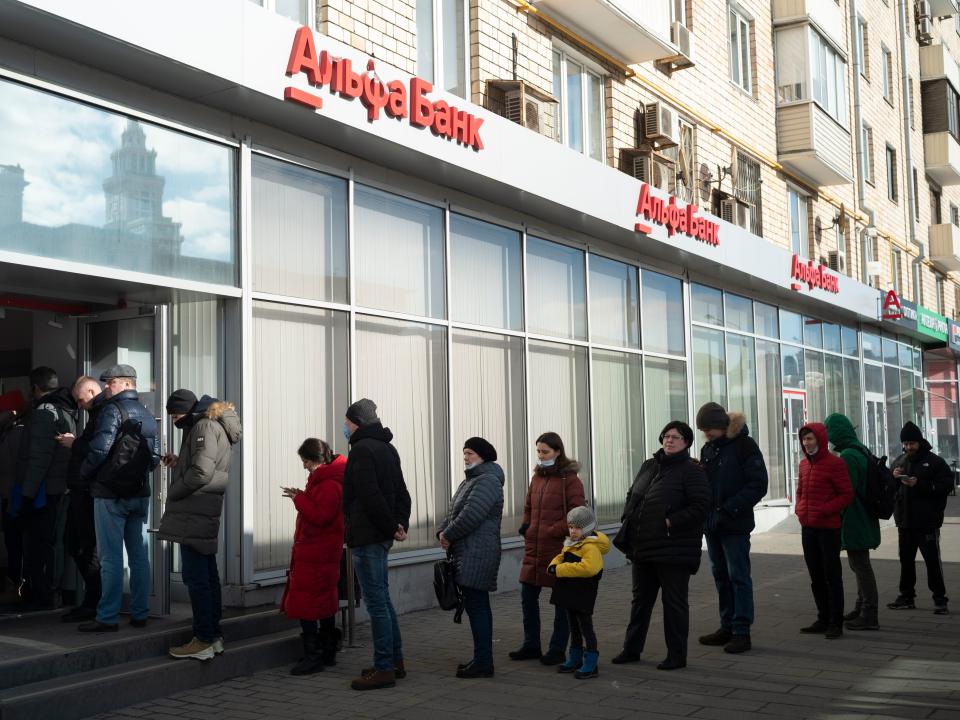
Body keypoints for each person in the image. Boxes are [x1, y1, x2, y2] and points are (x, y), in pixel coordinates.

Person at [611, 421, 710, 670]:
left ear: (686, 442)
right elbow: (633, 493)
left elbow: (701, 507)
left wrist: (670, 521)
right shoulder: (650, 465)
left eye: (676, 437)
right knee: (640, 601)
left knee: (674, 603)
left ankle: (676, 656)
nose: (669, 440)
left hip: (673, 548)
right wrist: (629, 517)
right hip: (643, 546)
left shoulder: (692, 470)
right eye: (666, 436)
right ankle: (631, 649)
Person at [158, 389, 241, 659]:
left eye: (174, 415)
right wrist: (179, 463)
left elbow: (202, 472)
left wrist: (174, 490)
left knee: (197, 579)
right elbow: (203, 464)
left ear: (185, 410)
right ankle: (212, 636)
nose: (173, 420)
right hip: (203, 509)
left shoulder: (204, 425)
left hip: (195, 510)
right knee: (207, 576)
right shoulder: (210, 424)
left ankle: (203, 638)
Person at [77, 365, 159, 633]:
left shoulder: (112, 410)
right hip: (139, 494)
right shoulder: (147, 413)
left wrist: (85, 475)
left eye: (110, 382)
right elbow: (155, 458)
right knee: (138, 557)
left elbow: (99, 450)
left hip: (110, 495)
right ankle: (140, 613)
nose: (107, 388)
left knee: (110, 558)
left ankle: (107, 617)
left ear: (125, 384)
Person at [341, 398, 411, 691]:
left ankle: (384, 668)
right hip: (381, 535)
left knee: (377, 603)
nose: (344, 428)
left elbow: (370, 496)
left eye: (346, 423)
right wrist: (399, 524)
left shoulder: (361, 450)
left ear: (356, 422)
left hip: (368, 536)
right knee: (383, 600)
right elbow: (401, 492)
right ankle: (394, 661)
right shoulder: (387, 447)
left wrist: (388, 525)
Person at [695, 403, 768, 655]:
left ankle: (741, 630)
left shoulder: (745, 446)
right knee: (720, 576)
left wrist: (728, 509)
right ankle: (726, 625)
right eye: (703, 430)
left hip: (734, 524)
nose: (706, 434)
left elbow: (758, 484)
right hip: (712, 525)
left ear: (721, 425)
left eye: (709, 429)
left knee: (738, 576)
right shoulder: (708, 449)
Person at [510, 432, 585, 667]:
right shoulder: (538, 478)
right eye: (538, 451)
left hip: (558, 547)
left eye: (545, 451)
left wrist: (554, 530)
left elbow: (578, 514)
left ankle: (556, 649)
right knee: (527, 597)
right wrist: (527, 525)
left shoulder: (570, 480)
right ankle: (531, 644)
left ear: (557, 452)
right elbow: (529, 506)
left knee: (561, 603)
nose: (541, 456)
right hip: (534, 547)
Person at [437, 437, 504, 680]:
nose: (465, 458)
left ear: (483, 456)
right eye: (464, 453)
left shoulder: (487, 481)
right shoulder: (471, 480)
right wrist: (442, 532)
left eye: (470, 453)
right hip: (468, 551)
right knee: (477, 606)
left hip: (478, 553)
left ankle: (484, 662)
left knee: (477, 608)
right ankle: (481, 659)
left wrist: (448, 534)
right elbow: (453, 511)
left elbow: (471, 516)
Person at [280, 438, 346, 675]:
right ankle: (327, 651)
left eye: (306, 461)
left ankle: (313, 655)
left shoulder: (328, 484)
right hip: (322, 552)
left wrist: (299, 500)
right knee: (323, 602)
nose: (304, 466)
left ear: (316, 459)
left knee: (306, 603)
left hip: (317, 552)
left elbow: (321, 516)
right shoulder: (327, 479)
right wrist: (302, 496)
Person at [13, 367, 77, 611]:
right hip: (60, 488)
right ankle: (53, 592)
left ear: (35, 388)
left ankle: (42, 594)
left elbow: (38, 458)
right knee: (54, 543)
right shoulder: (67, 408)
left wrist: (27, 495)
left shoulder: (44, 411)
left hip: (45, 491)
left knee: (40, 543)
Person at [887, 421, 952, 615]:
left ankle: (940, 599)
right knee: (906, 561)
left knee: (932, 562)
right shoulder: (899, 461)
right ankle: (906, 596)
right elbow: (890, 488)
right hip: (905, 522)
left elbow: (946, 485)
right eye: (905, 444)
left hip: (927, 522)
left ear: (920, 442)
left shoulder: (935, 462)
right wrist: (894, 477)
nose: (908, 447)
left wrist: (920, 484)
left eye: (912, 443)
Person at [795, 423, 853, 639]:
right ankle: (823, 617)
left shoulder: (835, 464)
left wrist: (825, 510)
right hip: (808, 527)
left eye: (810, 439)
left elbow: (846, 495)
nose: (806, 443)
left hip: (828, 528)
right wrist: (800, 510)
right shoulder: (803, 465)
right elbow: (800, 490)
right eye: (804, 440)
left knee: (832, 575)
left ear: (820, 439)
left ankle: (835, 622)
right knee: (815, 575)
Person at [824, 413, 881, 632]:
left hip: (855, 517)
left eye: (829, 431)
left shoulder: (848, 455)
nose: (828, 437)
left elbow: (845, 490)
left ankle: (869, 613)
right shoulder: (860, 449)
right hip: (864, 515)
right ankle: (861, 607)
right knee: (859, 564)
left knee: (860, 565)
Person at [57, 376, 106, 622]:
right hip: (80, 489)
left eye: (80, 398)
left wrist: (74, 443)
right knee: (76, 544)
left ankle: (94, 602)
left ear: (90, 390)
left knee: (85, 547)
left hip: (87, 491)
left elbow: (98, 450)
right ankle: (92, 601)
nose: (79, 404)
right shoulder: (97, 414)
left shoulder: (103, 413)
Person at [549, 505, 609, 679]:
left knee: (585, 626)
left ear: (587, 528)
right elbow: (561, 556)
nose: (573, 531)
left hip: (583, 592)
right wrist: (553, 565)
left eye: (577, 527)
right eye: (571, 527)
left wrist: (560, 569)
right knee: (572, 625)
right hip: (569, 591)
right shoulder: (572, 543)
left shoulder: (590, 547)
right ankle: (575, 657)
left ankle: (591, 660)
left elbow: (589, 568)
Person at [0, 390, 26, 600]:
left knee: (15, 542)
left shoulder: (15, 434)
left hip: (14, 497)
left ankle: (16, 585)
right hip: (12, 495)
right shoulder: (11, 432)